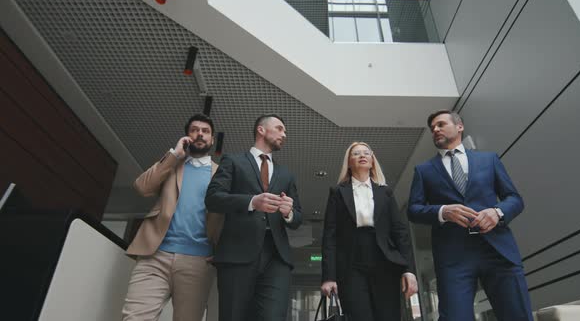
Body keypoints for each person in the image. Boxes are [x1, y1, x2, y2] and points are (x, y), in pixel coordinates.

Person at [408, 110, 533, 321]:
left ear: (459, 126)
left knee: (516, 315)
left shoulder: (489, 159)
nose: (435, 130)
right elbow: (413, 209)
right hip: (453, 257)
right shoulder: (424, 170)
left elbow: (514, 198)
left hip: (498, 250)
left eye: (440, 124)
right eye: (432, 129)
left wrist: (497, 212)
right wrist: (442, 212)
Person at [122, 113, 222, 321]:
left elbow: (228, 218)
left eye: (205, 131)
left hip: (198, 261)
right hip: (155, 256)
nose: (200, 135)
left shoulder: (221, 175)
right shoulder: (173, 164)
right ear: (186, 136)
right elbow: (142, 187)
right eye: (194, 130)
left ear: (212, 140)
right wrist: (174, 155)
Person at [205, 114, 303, 321]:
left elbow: (298, 219)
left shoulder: (286, 175)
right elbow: (213, 198)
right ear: (261, 130)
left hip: (277, 256)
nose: (284, 134)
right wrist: (252, 201)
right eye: (279, 128)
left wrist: (289, 212)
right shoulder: (233, 161)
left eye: (284, 131)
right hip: (237, 252)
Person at [320, 142, 418, 321]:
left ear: (372, 160)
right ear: (349, 162)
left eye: (366, 153)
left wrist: (409, 270)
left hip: (385, 260)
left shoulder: (385, 192)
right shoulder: (337, 192)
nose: (362, 156)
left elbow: (400, 233)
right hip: (350, 263)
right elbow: (330, 236)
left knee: (389, 315)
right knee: (359, 315)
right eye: (356, 153)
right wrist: (329, 277)